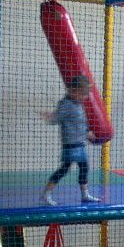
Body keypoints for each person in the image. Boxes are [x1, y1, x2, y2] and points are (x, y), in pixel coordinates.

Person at [41, 75, 100, 206]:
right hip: (70, 144)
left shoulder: (78, 104)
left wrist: (87, 133)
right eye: (82, 94)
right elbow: (57, 118)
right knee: (64, 169)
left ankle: (85, 194)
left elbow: (79, 122)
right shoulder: (66, 104)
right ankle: (46, 194)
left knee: (84, 168)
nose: (84, 97)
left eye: (86, 94)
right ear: (72, 90)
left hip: (80, 143)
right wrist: (50, 117)